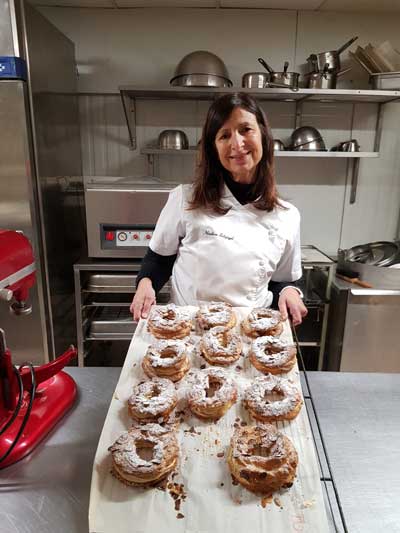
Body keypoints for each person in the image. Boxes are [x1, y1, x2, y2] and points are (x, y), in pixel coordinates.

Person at [130, 92, 307, 326]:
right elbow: (158, 260)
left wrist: (289, 293)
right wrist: (145, 285)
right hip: (189, 330)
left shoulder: (287, 216)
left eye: (245, 129)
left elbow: (282, 281)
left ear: (263, 135)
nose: (237, 144)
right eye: (224, 135)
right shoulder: (185, 199)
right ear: (214, 148)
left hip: (249, 333)